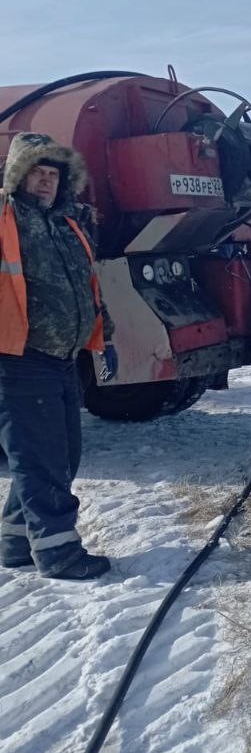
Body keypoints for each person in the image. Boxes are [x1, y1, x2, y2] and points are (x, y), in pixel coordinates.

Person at [0, 132, 117, 580]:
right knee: (41, 458)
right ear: (18, 175)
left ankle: (16, 541)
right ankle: (58, 553)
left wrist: (105, 338)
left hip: (62, 357)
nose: (46, 181)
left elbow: (87, 287)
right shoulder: (7, 215)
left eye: (52, 174)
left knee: (62, 455)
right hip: (18, 358)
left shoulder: (68, 224)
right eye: (37, 172)